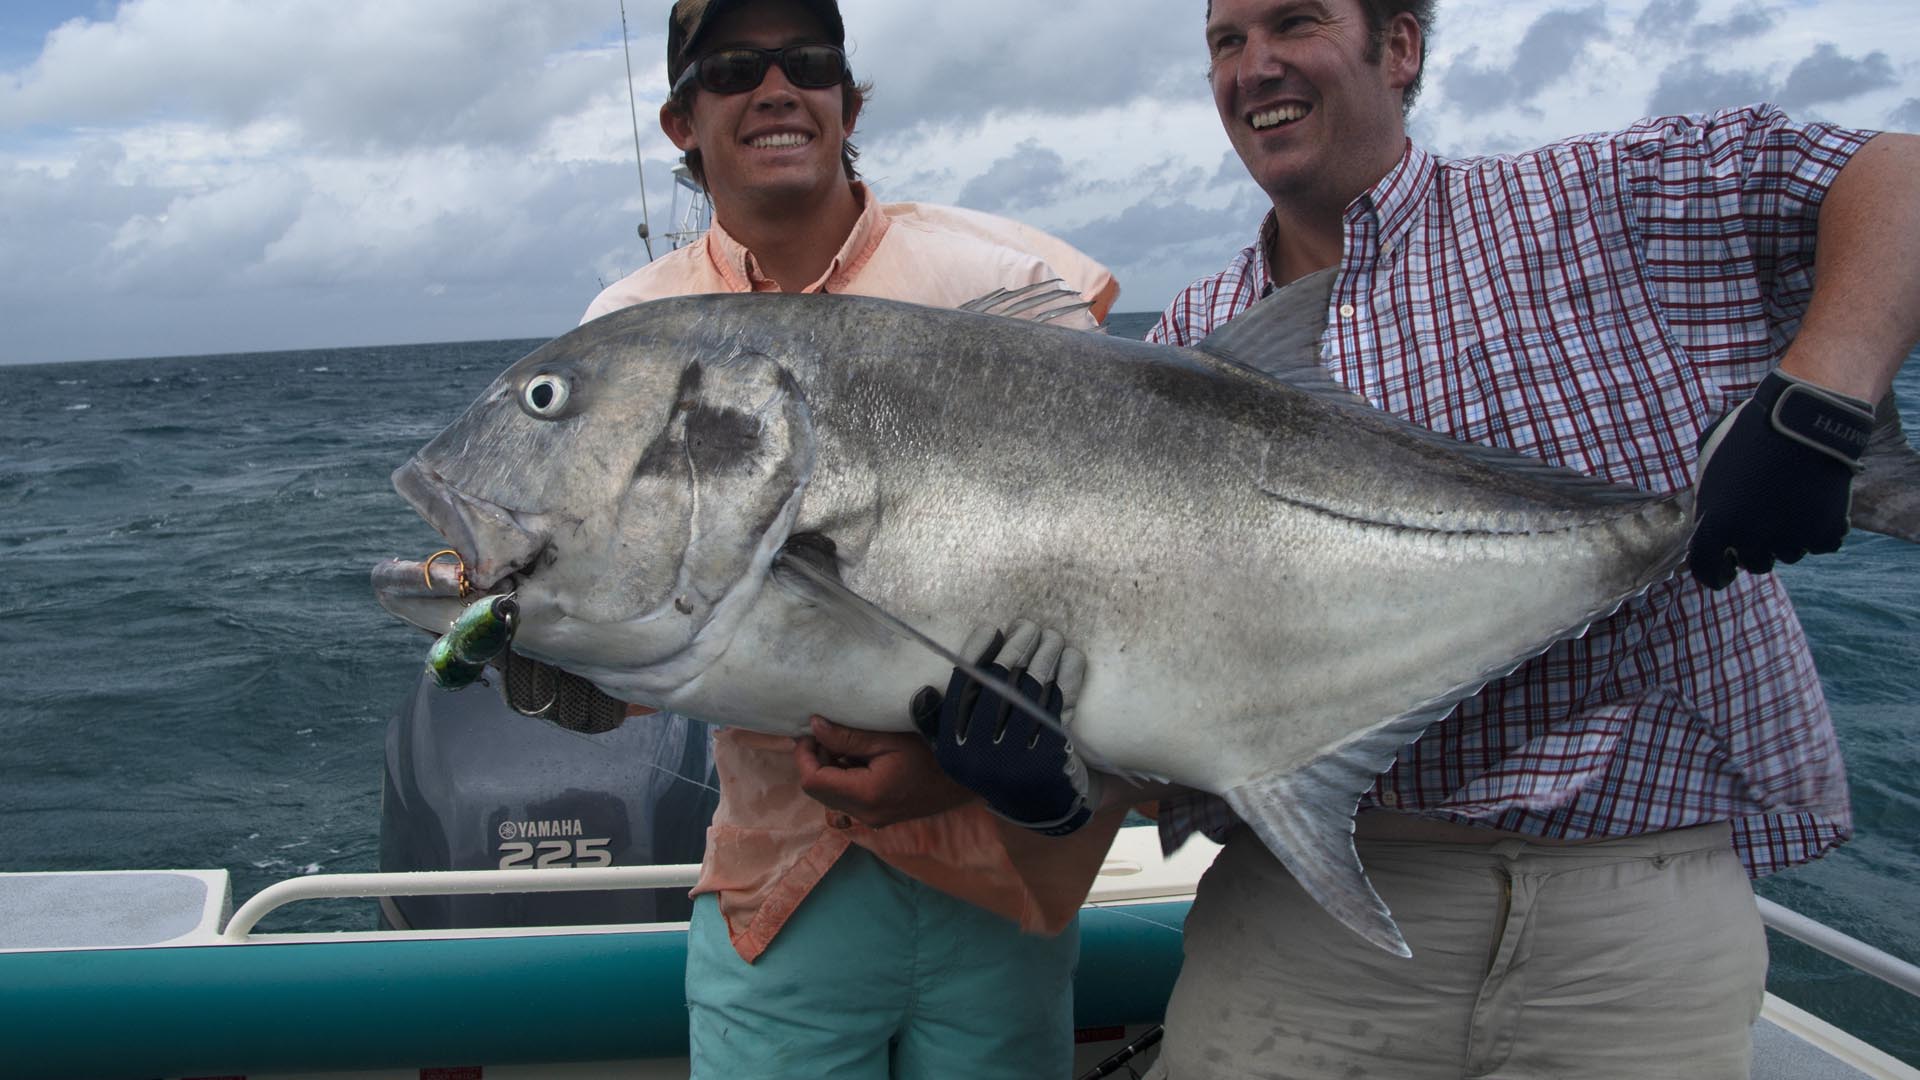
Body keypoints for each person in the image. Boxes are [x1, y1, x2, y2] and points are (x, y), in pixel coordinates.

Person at [1126, 1, 1920, 1077]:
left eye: (1294, 21)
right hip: (1309, 926)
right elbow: (1188, 664)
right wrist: (1073, 748)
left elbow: (1897, 175)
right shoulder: (1188, 342)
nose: (1254, 66)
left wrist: (1823, 396)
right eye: (1226, 42)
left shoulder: (1601, 197)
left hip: (1635, 918)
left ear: (1398, 46)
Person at [579, 2, 1129, 1077]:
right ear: (680, 121)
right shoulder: (629, 329)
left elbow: (1111, 562)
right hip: (778, 890)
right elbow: (646, 609)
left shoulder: (1002, 282)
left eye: (809, 62)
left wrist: (958, 772)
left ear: (849, 99)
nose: (775, 87)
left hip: (1003, 886)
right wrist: (570, 662)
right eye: (735, 67)